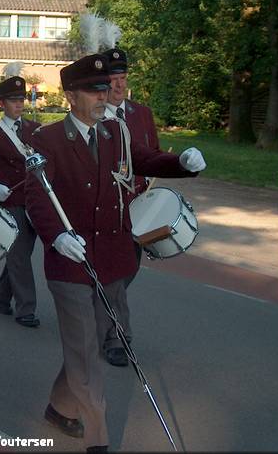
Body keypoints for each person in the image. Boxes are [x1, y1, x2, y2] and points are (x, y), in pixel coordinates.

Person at [24, 54, 207, 451]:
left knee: (91, 339)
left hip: (113, 259)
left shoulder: (115, 132)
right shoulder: (47, 139)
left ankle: (59, 407)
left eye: (105, 88)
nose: (103, 96)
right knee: (87, 354)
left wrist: (182, 163)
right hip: (71, 263)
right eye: (94, 90)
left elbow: (143, 159)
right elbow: (37, 197)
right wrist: (56, 237)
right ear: (70, 95)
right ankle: (98, 438)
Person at [100, 47, 161, 366]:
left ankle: (99, 309)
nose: (119, 86)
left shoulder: (142, 114)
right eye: (113, 79)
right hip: (106, 210)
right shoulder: (92, 118)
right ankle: (117, 338)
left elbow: (153, 154)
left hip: (138, 209)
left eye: (123, 78)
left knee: (127, 271)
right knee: (116, 273)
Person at [0, 72, 41, 327]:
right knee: (20, 255)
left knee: (21, 252)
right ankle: (26, 309)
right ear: (1, 103)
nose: (19, 104)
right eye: (13, 100)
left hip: (34, 200)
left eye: (21, 99)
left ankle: (2, 293)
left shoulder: (34, 130)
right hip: (9, 201)